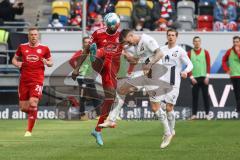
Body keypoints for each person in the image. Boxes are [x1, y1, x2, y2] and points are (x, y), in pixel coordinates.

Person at [101, 29, 193, 149]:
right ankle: (112, 119)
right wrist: (126, 56)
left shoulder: (147, 40)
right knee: (122, 90)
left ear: (131, 35)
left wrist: (149, 64)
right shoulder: (137, 45)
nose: (128, 44)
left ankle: (168, 133)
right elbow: (136, 60)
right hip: (145, 75)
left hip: (155, 75)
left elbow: (159, 54)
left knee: (156, 108)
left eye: (128, 41)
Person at [71, 13, 123, 146]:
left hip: (111, 70)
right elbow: (85, 50)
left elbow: (126, 52)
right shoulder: (98, 33)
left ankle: (97, 130)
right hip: (99, 63)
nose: (114, 29)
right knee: (103, 53)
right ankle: (97, 53)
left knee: (110, 98)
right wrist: (77, 68)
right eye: (111, 27)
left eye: (115, 26)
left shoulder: (121, 36)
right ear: (107, 25)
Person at [12, 27, 53, 137]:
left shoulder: (44, 48)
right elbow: (14, 59)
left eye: (35, 34)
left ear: (38, 36)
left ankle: (29, 131)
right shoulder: (22, 47)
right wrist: (18, 64)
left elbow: (51, 62)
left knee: (33, 102)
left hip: (37, 80)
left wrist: (46, 62)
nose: (33, 36)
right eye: (31, 34)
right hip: (24, 81)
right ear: (28, 36)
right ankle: (33, 114)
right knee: (23, 108)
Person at [69, 37, 101, 120]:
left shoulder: (93, 52)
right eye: (85, 42)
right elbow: (71, 61)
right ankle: (95, 114)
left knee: (88, 96)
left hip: (90, 76)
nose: (87, 44)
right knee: (90, 95)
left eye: (88, 42)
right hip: (82, 77)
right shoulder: (80, 52)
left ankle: (85, 115)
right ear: (83, 43)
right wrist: (77, 69)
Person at [188, 36, 211, 120]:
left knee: (206, 97)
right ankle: (194, 115)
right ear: (193, 43)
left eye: (198, 41)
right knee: (195, 97)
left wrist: (207, 77)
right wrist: (191, 77)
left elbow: (208, 65)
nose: (197, 43)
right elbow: (188, 66)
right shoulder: (189, 53)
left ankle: (207, 114)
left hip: (204, 78)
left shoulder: (205, 52)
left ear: (200, 42)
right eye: (195, 41)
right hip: (194, 78)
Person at [222, 36, 240, 113]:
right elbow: (223, 60)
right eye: (234, 42)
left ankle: (238, 109)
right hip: (233, 76)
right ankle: (238, 109)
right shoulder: (229, 51)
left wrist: (238, 52)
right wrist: (227, 70)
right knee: (236, 93)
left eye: (237, 42)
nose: (235, 43)